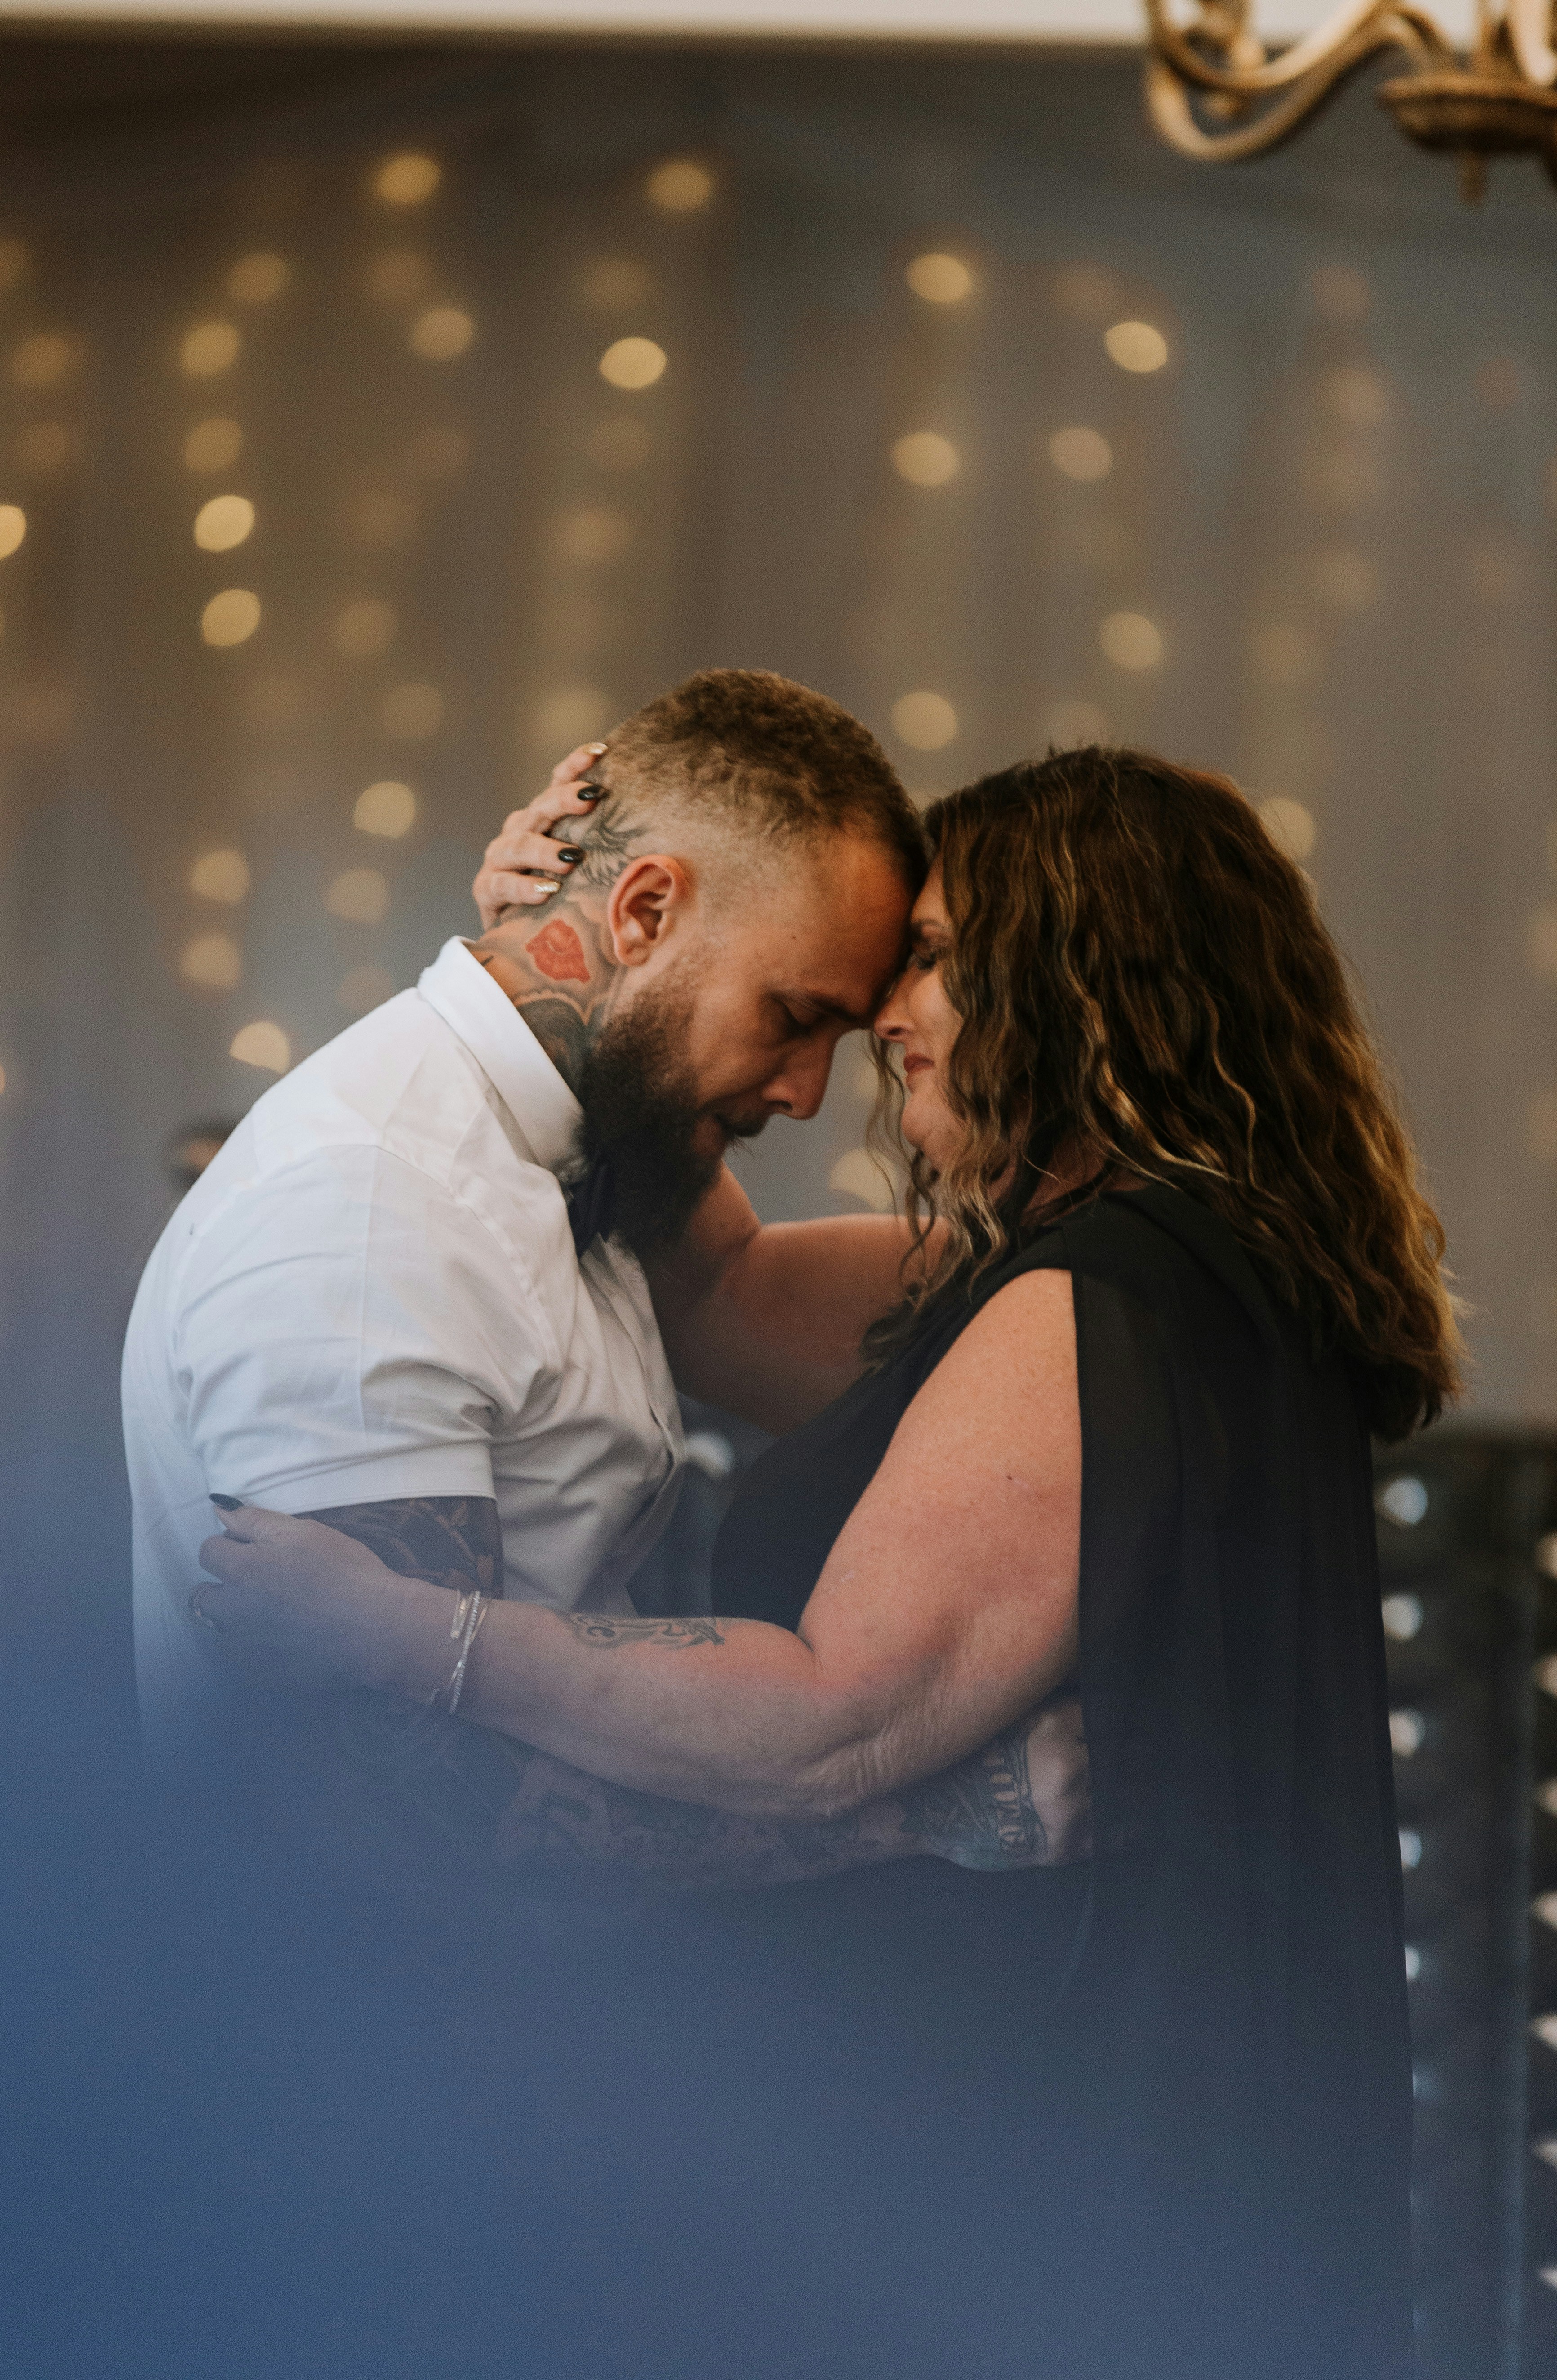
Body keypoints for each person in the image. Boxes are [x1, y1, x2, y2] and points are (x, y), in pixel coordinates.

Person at [193, 743, 1457, 2380]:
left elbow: (827, 1720)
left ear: (1088, 975)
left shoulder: (1110, 1301)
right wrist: (596, 963)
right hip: (1147, 2169)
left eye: (932, 957)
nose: (882, 1016)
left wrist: (402, 1634)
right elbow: (713, 1294)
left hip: (1076, 2183)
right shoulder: (1115, 1275)